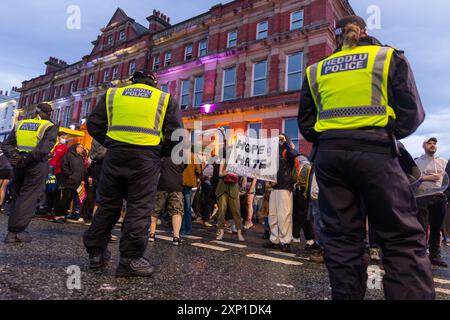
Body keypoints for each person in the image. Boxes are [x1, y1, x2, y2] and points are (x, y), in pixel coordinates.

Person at [298, 15, 435, 299]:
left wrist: (335, 135)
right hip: (376, 152)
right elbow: (412, 113)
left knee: (342, 240)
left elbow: (307, 125)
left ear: (337, 36)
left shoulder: (316, 70)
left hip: (330, 157)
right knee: (399, 237)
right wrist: (384, 133)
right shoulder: (386, 57)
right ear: (364, 31)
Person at [83, 70, 183, 277]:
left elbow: (93, 123)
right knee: (139, 207)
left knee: (108, 205)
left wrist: (111, 141)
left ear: (132, 82)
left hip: (115, 154)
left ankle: (96, 253)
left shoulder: (113, 94)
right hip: (145, 158)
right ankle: (129, 260)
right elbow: (176, 135)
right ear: (154, 84)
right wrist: (157, 151)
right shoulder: (164, 99)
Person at [3, 103, 58, 243]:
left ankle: (14, 229)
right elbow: (43, 149)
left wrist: (17, 158)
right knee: (29, 197)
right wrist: (27, 159)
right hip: (36, 165)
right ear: (47, 113)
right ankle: (16, 231)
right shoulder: (49, 126)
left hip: (19, 165)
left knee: (18, 195)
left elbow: (7, 144)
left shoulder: (20, 123)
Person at [415, 137, 448, 267]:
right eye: (429, 143)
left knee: (436, 228)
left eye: (434, 143)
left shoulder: (443, 162)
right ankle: (421, 256)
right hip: (423, 198)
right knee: (421, 228)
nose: (432, 145)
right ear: (424, 145)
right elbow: (413, 179)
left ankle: (435, 255)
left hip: (439, 197)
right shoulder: (417, 162)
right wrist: (427, 177)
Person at [263, 134, 297, 253]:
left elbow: (295, 156)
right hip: (274, 187)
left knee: (284, 215)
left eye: (281, 139)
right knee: (273, 215)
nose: (279, 141)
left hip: (284, 186)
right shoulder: (273, 154)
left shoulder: (287, 152)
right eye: (277, 139)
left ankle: (285, 241)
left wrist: (287, 143)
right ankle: (274, 239)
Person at [149, 154, 185, 246]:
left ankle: (151, 234)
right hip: (176, 186)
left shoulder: (162, 156)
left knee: (155, 211)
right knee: (177, 211)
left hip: (162, 184)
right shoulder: (182, 157)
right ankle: (176, 237)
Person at [216, 149, 245, 242]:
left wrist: (243, 187)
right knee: (222, 210)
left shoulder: (239, 161)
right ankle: (221, 232)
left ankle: (239, 233)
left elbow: (244, 175)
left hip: (234, 187)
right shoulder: (224, 160)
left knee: (236, 210)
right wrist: (225, 172)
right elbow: (220, 173)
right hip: (222, 187)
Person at [54, 144, 86, 223]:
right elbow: (64, 166)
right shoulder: (68, 155)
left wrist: (81, 178)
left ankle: (62, 215)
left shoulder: (80, 157)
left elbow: (82, 169)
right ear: (76, 147)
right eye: (81, 147)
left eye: (82, 148)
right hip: (67, 181)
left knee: (69, 200)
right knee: (65, 198)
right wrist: (70, 175)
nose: (82, 149)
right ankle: (57, 216)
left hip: (76, 183)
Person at [181, 149, 201, 235]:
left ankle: (179, 228)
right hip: (189, 183)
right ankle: (187, 229)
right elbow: (199, 171)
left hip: (179, 182)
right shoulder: (193, 156)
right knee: (188, 208)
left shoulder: (179, 154)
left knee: (179, 207)